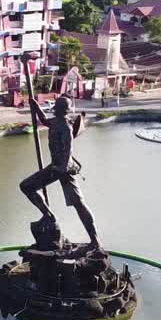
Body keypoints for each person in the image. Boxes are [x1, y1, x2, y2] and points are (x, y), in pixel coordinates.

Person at [19, 95, 101, 250]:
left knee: (79, 204)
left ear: (60, 110)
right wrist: (36, 107)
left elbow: (69, 148)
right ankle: (48, 215)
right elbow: (44, 121)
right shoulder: (55, 122)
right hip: (56, 167)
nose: (54, 110)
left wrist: (62, 167)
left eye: (56, 107)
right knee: (27, 186)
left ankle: (95, 241)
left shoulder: (65, 126)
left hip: (63, 168)